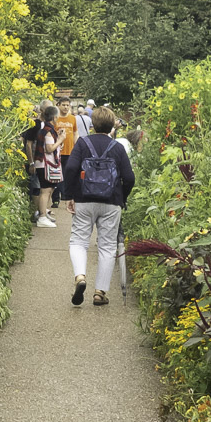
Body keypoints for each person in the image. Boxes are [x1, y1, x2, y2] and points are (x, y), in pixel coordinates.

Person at [60, 105, 135, 306]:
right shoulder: (117, 148)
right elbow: (129, 177)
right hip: (111, 202)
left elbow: (72, 168)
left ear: (92, 125)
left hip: (84, 200)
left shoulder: (83, 144)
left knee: (78, 240)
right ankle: (99, 293)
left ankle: (80, 277)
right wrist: (122, 198)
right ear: (112, 126)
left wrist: (69, 195)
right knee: (107, 246)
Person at [21, 105, 59, 227]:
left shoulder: (45, 126)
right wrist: (31, 162)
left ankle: (43, 211)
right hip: (38, 161)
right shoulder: (36, 125)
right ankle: (39, 213)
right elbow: (28, 144)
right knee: (40, 188)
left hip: (42, 161)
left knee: (46, 189)